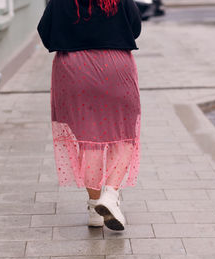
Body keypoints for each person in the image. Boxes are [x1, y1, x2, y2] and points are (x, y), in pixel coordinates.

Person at [37, 0, 142, 231]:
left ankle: (95, 207)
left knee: (88, 139)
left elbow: (45, 33)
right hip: (116, 67)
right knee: (125, 137)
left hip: (73, 70)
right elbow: (135, 27)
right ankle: (110, 195)